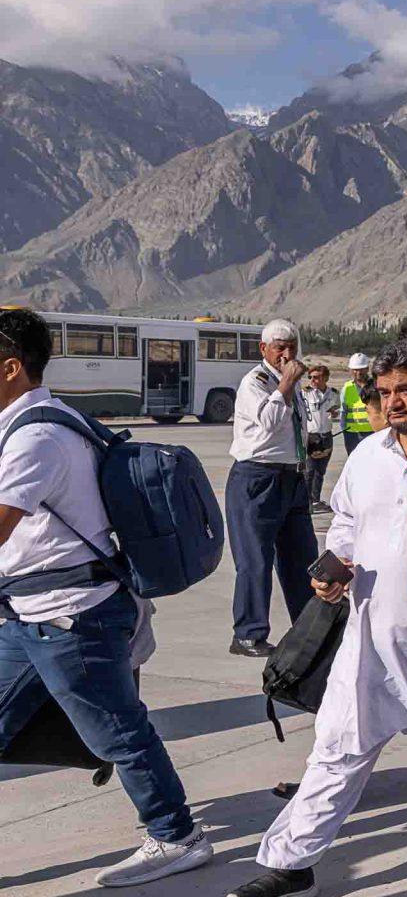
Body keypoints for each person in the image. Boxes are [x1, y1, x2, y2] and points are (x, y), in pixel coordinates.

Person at [229, 340, 407, 897]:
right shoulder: (367, 456)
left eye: (405, 390)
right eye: (384, 393)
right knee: (337, 746)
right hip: (370, 636)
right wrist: (334, 567)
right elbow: (344, 521)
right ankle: (293, 863)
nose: (393, 403)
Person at [0, 309, 213, 888]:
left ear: (11, 368)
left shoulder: (36, 437)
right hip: (27, 615)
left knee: (119, 733)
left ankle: (176, 836)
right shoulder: (28, 423)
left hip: (70, 616)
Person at [226, 319, 319, 658]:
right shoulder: (256, 382)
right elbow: (267, 423)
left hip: (292, 477)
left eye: (292, 345)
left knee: (302, 557)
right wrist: (286, 386)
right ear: (263, 349)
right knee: (255, 559)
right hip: (258, 478)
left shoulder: (290, 384)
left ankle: (310, 627)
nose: (287, 352)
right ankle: (249, 633)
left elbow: (295, 424)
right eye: (279, 346)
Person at [299, 366, 342, 512]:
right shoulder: (306, 393)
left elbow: (336, 410)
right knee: (309, 470)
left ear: (325, 378)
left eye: (316, 377)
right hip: (312, 435)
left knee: (320, 470)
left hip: (326, 435)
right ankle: (306, 501)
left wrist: (335, 414)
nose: (312, 380)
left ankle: (316, 500)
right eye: (310, 377)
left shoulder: (334, 394)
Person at [341, 353, 374, 455]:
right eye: (355, 369)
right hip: (352, 435)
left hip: (372, 432)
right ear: (351, 370)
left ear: (367, 369)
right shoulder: (346, 388)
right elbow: (343, 411)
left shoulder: (375, 386)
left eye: (361, 369)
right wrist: (344, 431)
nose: (358, 372)